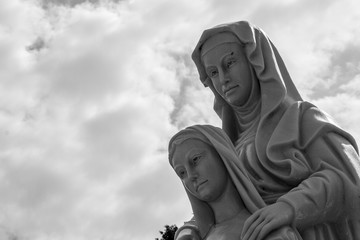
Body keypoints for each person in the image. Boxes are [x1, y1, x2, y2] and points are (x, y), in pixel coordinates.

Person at [174, 21, 360, 240]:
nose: (223, 79)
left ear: (256, 62)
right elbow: (225, 203)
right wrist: (191, 229)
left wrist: (289, 207)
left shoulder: (303, 118)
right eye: (213, 72)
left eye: (230, 63)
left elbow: (345, 178)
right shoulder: (227, 146)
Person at [169, 125, 302, 240]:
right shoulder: (192, 235)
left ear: (222, 155)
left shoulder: (271, 232)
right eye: (182, 173)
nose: (191, 175)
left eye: (196, 159)